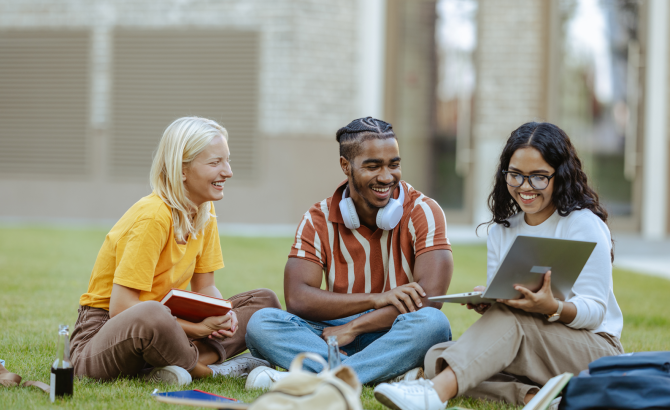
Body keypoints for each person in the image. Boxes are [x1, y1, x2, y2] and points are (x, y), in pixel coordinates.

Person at [373, 122, 625, 409]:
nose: (525, 187)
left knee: (482, 341)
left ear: (561, 176)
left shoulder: (583, 225)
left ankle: (433, 394)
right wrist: (491, 300)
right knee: (436, 357)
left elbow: (595, 313)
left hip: (592, 348)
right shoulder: (502, 231)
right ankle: (536, 397)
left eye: (539, 177)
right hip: (529, 338)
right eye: (515, 175)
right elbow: (509, 308)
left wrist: (551, 307)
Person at [70, 117, 281, 385]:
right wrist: (197, 328)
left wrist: (222, 316)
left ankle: (168, 365)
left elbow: (205, 288)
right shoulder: (153, 216)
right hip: (105, 335)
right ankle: (208, 370)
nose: (227, 171)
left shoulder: (204, 211)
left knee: (264, 303)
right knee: (153, 314)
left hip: (168, 323)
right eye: (215, 163)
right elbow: (121, 308)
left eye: (227, 160)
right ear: (182, 169)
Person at [244, 117, 454, 388]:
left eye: (394, 164)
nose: (387, 177)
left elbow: (429, 299)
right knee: (262, 322)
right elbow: (297, 298)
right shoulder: (317, 217)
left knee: (432, 323)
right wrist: (376, 299)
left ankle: (326, 377)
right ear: (346, 166)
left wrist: (355, 327)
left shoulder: (424, 211)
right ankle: (386, 372)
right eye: (373, 166)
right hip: (331, 333)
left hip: (394, 331)